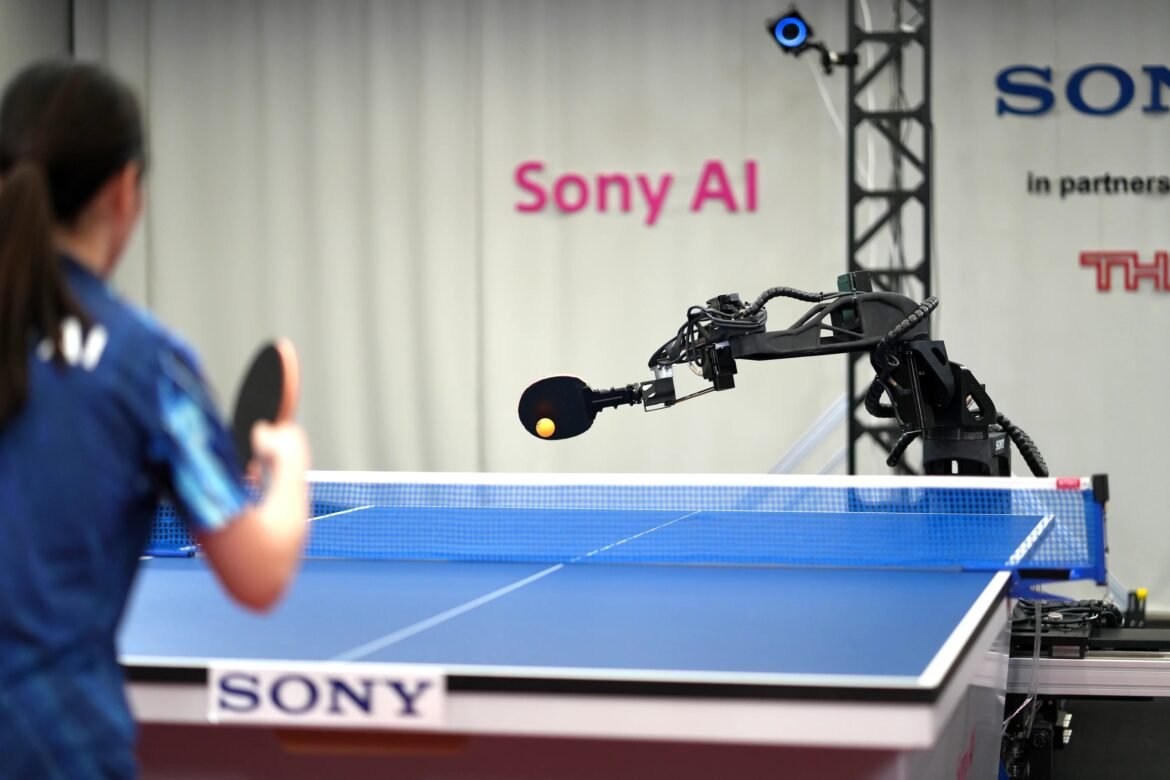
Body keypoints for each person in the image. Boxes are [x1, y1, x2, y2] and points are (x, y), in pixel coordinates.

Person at [0, 60, 310, 778]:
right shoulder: (143, 364)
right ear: (125, 190)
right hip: (55, 743)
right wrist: (288, 463)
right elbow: (258, 573)